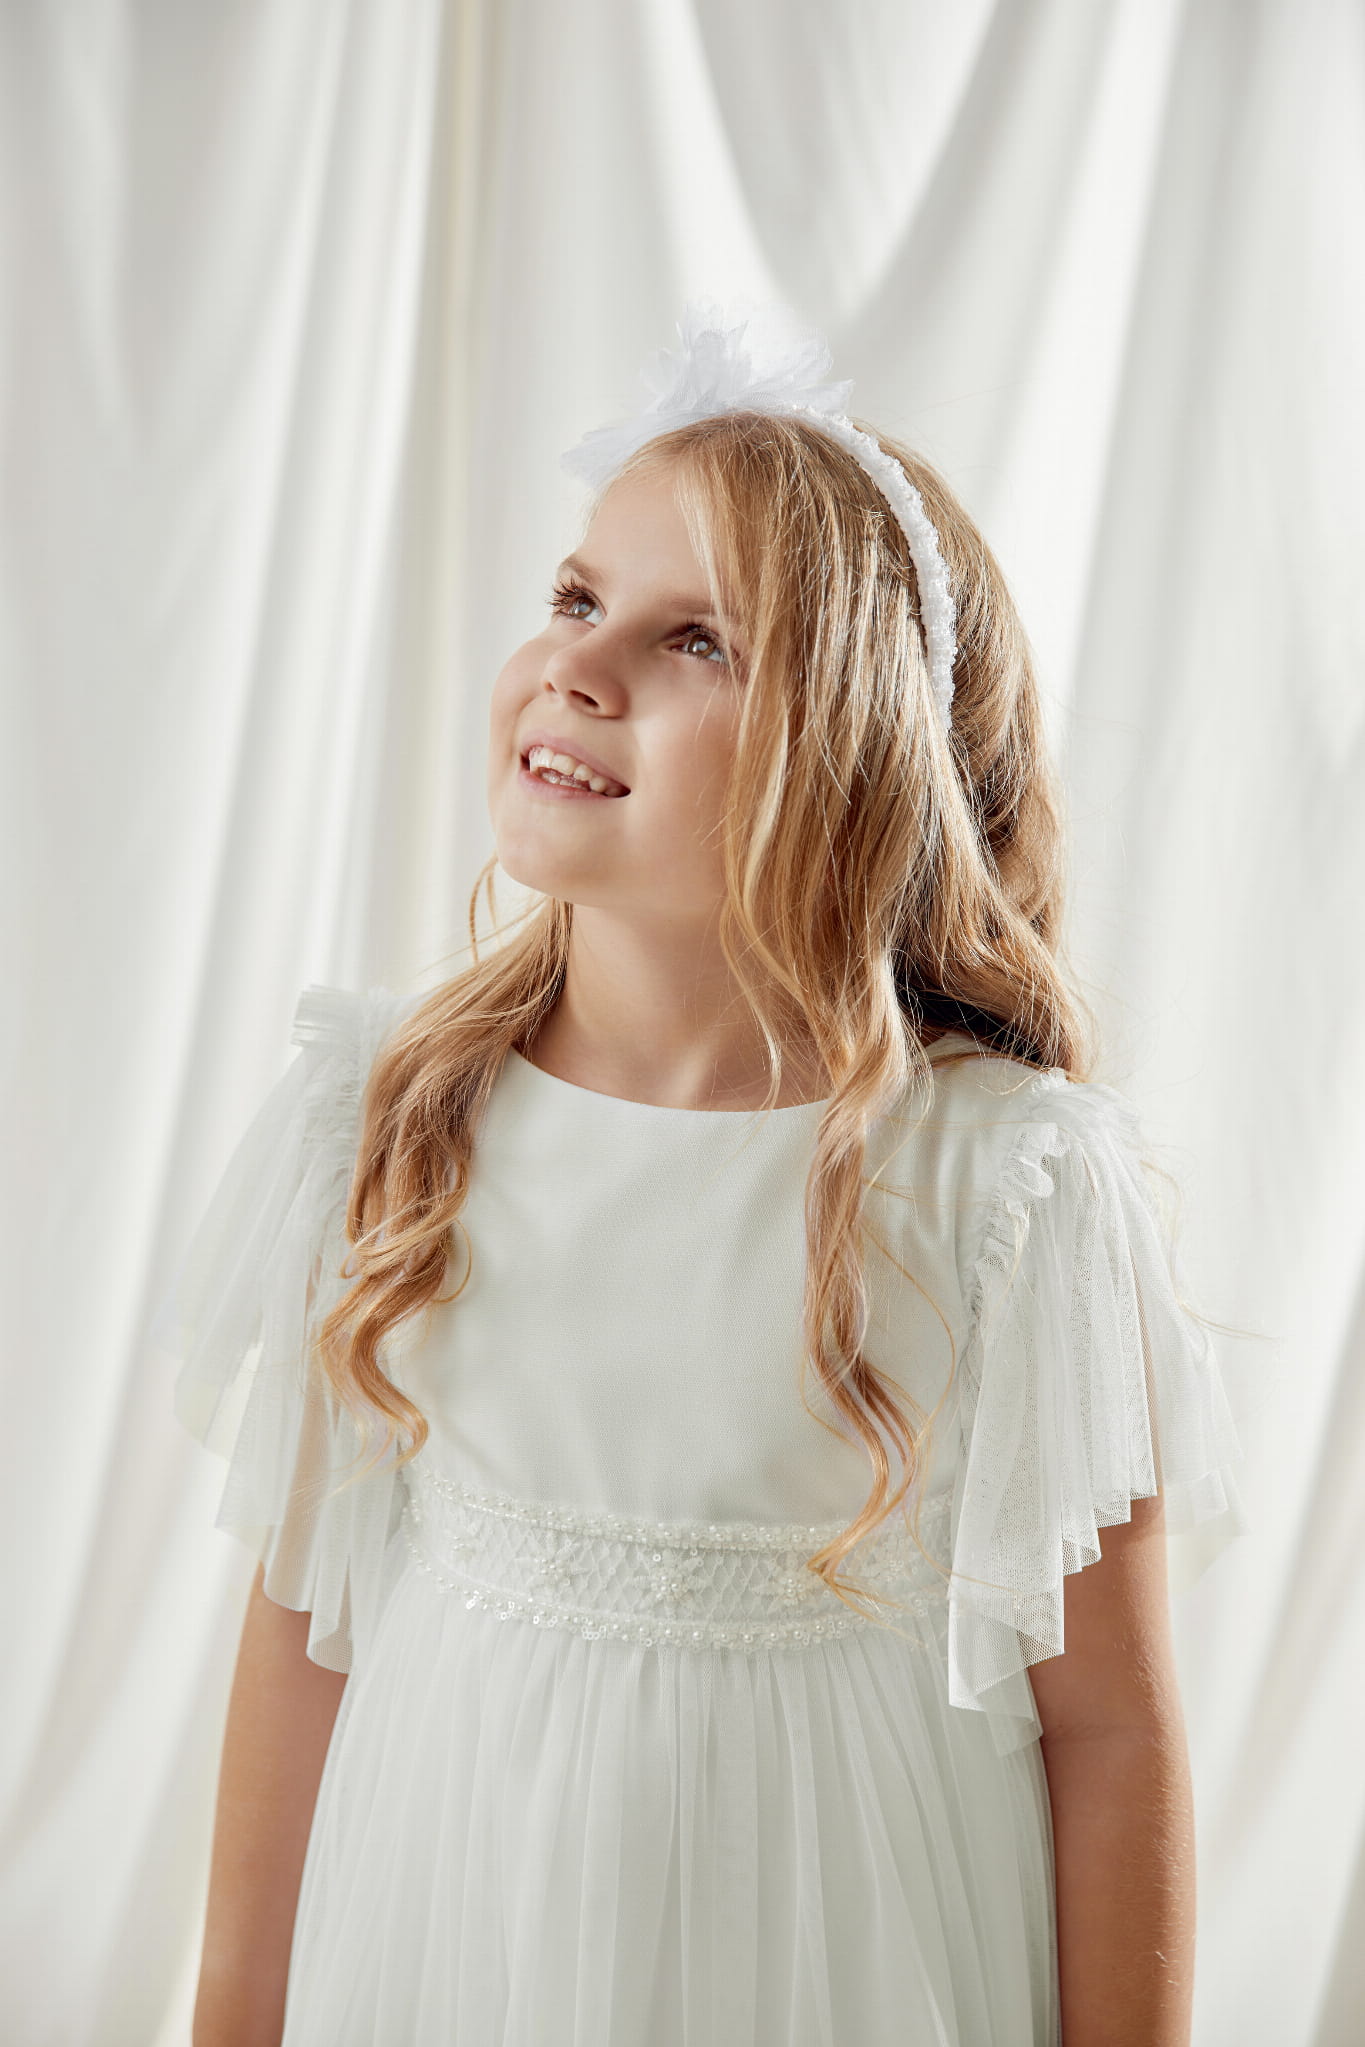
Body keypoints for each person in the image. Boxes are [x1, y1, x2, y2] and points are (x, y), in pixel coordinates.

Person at [165, 300, 1246, 2046]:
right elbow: (303, 1640)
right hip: (460, 1926)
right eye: (576, 599)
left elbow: (1111, 1730)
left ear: (857, 749)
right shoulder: (388, 1120)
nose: (579, 668)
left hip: (838, 1953)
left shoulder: (1002, 1184)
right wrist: (232, 2017)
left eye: (696, 640)